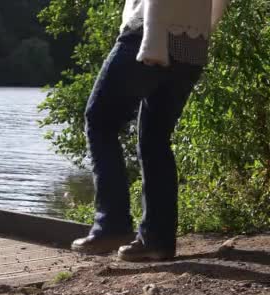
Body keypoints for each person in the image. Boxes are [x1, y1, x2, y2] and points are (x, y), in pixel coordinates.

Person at [71, 0, 230, 261]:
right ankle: (157, 240)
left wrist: (153, 39)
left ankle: (112, 225)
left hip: (149, 35)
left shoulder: (151, 38)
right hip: (192, 46)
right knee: (155, 139)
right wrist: (204, 29)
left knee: (100, 121)